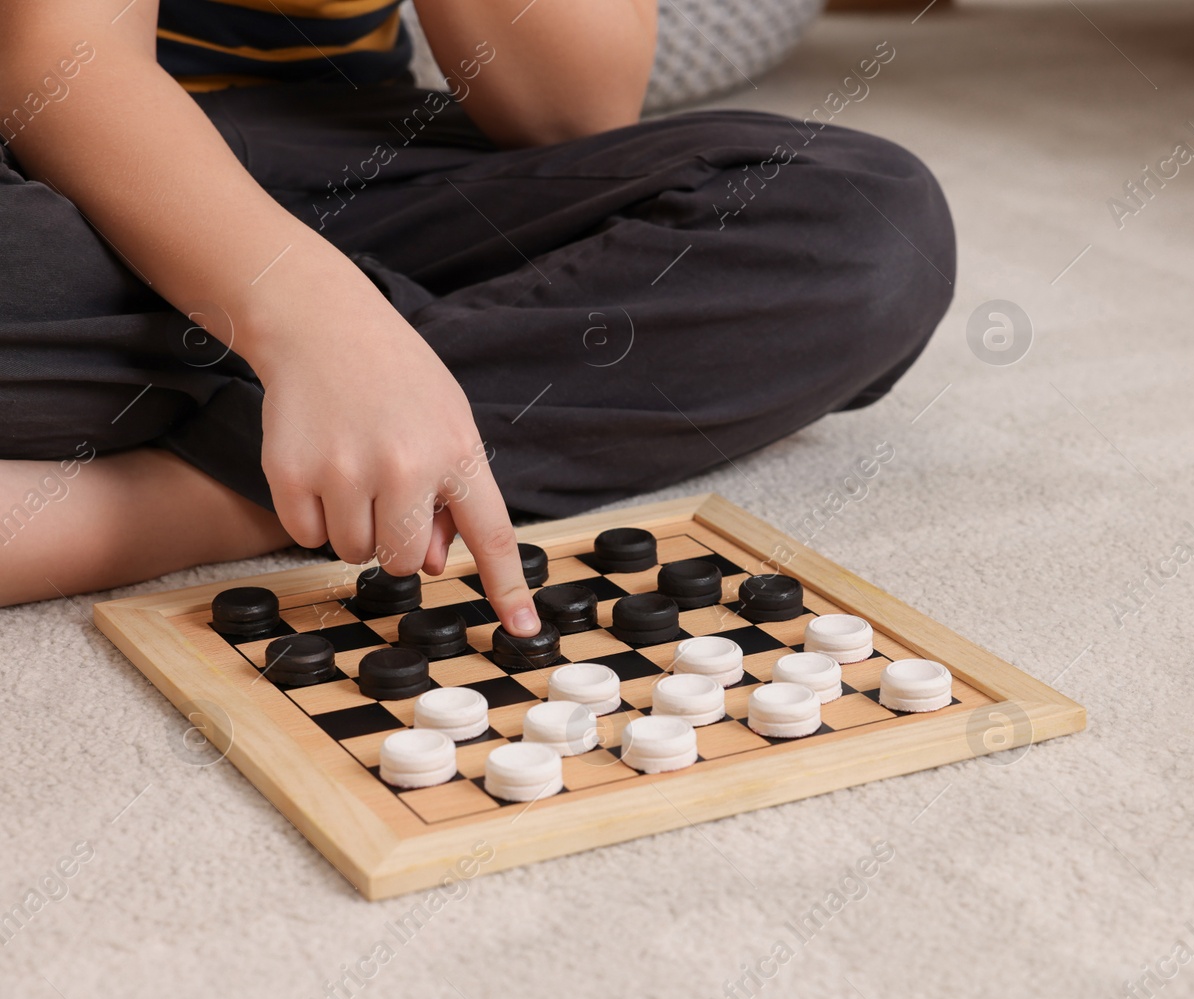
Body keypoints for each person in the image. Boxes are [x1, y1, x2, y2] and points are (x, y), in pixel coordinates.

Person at [0, 0, 955, 635]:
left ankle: (178, 503)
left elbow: (564, 110)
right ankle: (365, 417)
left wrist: (348, 333)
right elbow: (57, 66)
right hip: (61, 156)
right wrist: (320, 319)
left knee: (863, 223)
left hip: (367, 146)